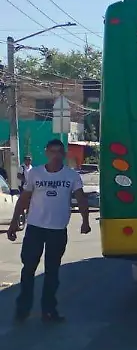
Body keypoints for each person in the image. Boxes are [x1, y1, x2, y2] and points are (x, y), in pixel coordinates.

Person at [7, 139, 91, 324]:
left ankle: (49, 310)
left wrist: (85, 221)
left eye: (59, 152)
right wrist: (14, 222)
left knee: (52, 272)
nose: (55, 155)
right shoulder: (35, 173)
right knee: (28, 269)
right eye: (52, 151)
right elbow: (24, 199)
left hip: (57, 230)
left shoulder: (71, 176)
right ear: (46, 153)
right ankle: (23, 309)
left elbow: (81, 199)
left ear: (64, 154)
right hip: (35, 228)